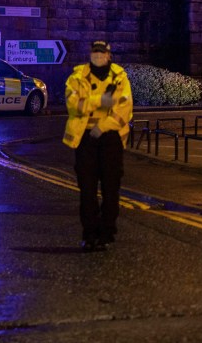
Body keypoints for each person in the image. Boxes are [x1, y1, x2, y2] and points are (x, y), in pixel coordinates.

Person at [64, 40, 133, 252]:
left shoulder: (119, 77)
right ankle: (89, 234)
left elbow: (123, 108)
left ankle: (107, 232)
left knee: (111, 188)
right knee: (87, 189)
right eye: (95, 52)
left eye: (102, 53)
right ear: (90, 54)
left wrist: (102, 126)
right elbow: (73, 104)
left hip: (110, 138)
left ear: (109, 56)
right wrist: (101, 101)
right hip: (85, 139)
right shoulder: (77, 77)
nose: (98, 56)